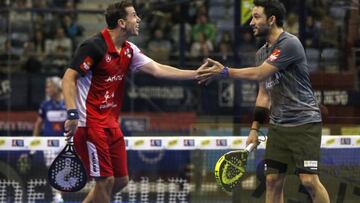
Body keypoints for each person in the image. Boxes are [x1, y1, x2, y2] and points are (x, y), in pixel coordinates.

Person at [62, 1, 200, 203]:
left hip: (110, 123)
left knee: (120, 180)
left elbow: (158, 69)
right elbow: (68, 78)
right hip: (89, 123)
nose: (139, 19)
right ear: (122, 23)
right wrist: (72, 114)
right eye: (134, 15)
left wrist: (196, 74)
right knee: (105, 181)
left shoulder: (129, 50)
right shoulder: (93, 46)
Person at [196, 0, 330, 202]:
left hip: (304, 123)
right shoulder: (261, 54)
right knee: (272, 182)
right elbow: (264, 94)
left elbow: (260, 73)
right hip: (278, 127)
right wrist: (254, 128)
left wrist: (224, 71)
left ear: (272, 19)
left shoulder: (289, 43)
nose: (251, 22)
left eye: (256, 17)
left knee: (309, 181)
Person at [32, 76, 66, 203]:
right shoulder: (45, 105)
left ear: (57, 88)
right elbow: (38, 124)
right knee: (53, 169)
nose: (47, 89)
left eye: (49, 86)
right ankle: (58, 197)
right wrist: (33, 144)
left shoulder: (69, 104)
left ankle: (58, 196)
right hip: (48, 144)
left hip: (65, 143)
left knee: (63, 169)